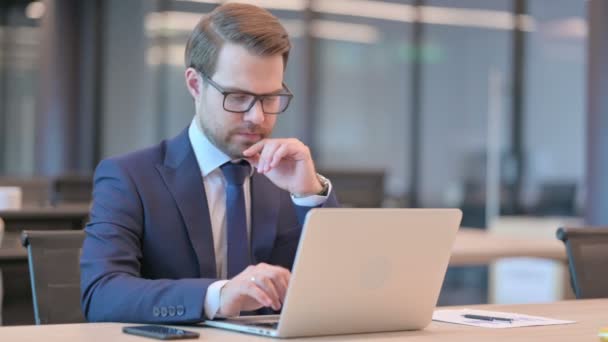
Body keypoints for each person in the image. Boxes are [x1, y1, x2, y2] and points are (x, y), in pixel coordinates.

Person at [80, 3, 339, 323]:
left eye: (270, 98)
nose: (256, 117)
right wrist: (218, 295)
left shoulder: (289, 178)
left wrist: (309, 196)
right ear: (194, 84)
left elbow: (343, 291)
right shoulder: (130, 178)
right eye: (238, 97)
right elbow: (101, 296)